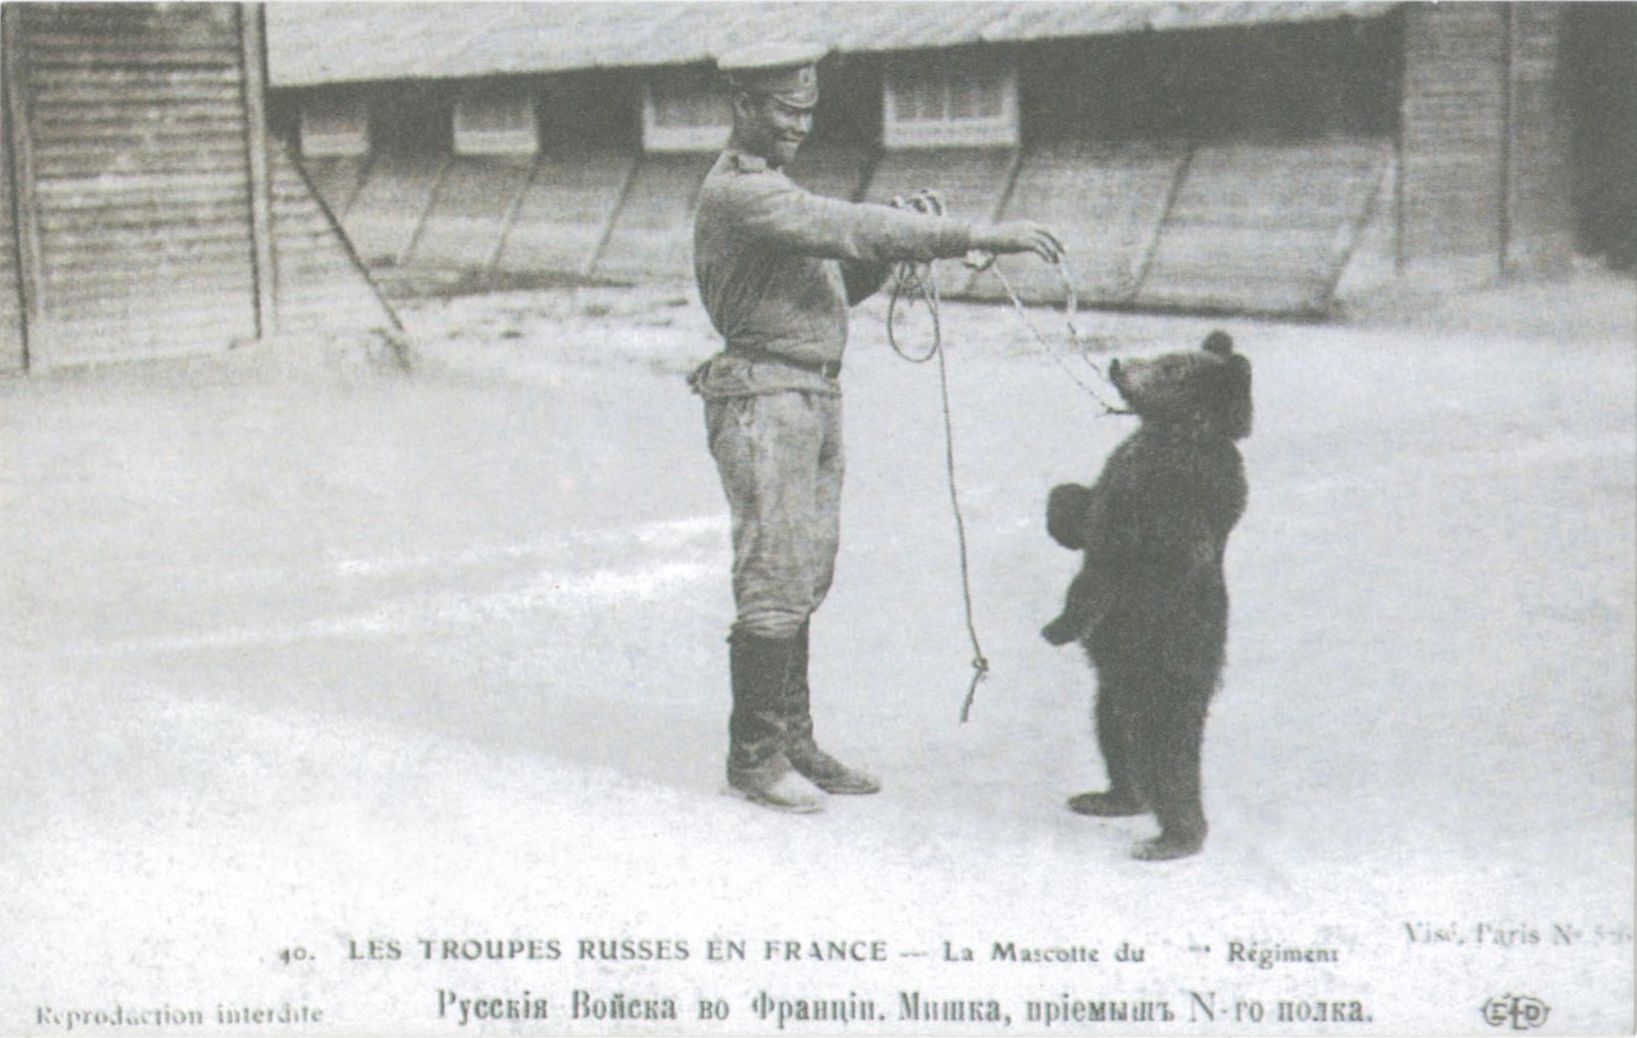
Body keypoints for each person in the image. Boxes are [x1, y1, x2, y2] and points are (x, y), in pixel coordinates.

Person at [690, 41, 1064, 813]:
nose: (797, 125)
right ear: (743, 108)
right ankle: (754, 759)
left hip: (807, 397)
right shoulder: (741, 194)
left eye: (807, 113)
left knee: (805, 572)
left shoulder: (775, 194)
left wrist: (898, 243)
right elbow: (848, 228)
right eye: (783, 111)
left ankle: (792, 739)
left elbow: (830, 286)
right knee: (773, 577)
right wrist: (974, 235)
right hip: (765, 400)